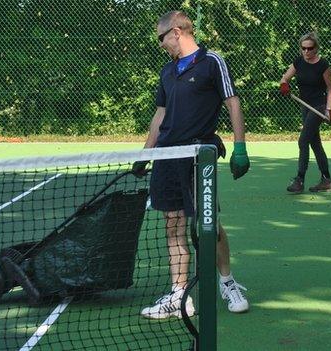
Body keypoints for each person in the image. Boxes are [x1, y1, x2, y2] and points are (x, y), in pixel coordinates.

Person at [134, 11, 250, 319]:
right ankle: (179, 296)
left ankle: (227, 283)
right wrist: (146, 154)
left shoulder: (213, 62)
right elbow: (160, 115)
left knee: (209, 224)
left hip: (200, 157)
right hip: (166, 157)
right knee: (172, 225)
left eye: (161, 38)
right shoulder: (167, 72)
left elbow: (233, 103)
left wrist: (240, 147)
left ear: (175, 32)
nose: (161, 45)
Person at [279, 32, 331, 193]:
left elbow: (330, 89)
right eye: (303, 48)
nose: (306, 52)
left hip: (318, 107)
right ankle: (326, 179)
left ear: (316, 48)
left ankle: (299, 180)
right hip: (305, 106)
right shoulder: (298, 62)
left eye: (310, 49)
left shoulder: (323, 65)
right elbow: (284, 78)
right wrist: (284, 85)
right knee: (314, 142)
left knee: (303, 141)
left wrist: (329, 109)